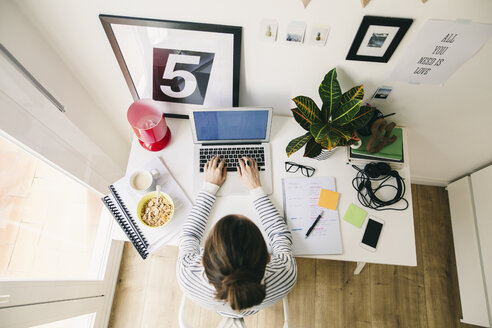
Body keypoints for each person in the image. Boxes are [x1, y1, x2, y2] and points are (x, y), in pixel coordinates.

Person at [177, 156, 297, 318]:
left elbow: (189, 235)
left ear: (202, 261)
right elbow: (280, 234)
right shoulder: (286, 275)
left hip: (216, 306)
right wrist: (255, 188)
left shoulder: (187, 275)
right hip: (257, 305)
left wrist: (209, 187)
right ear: (268, 257)